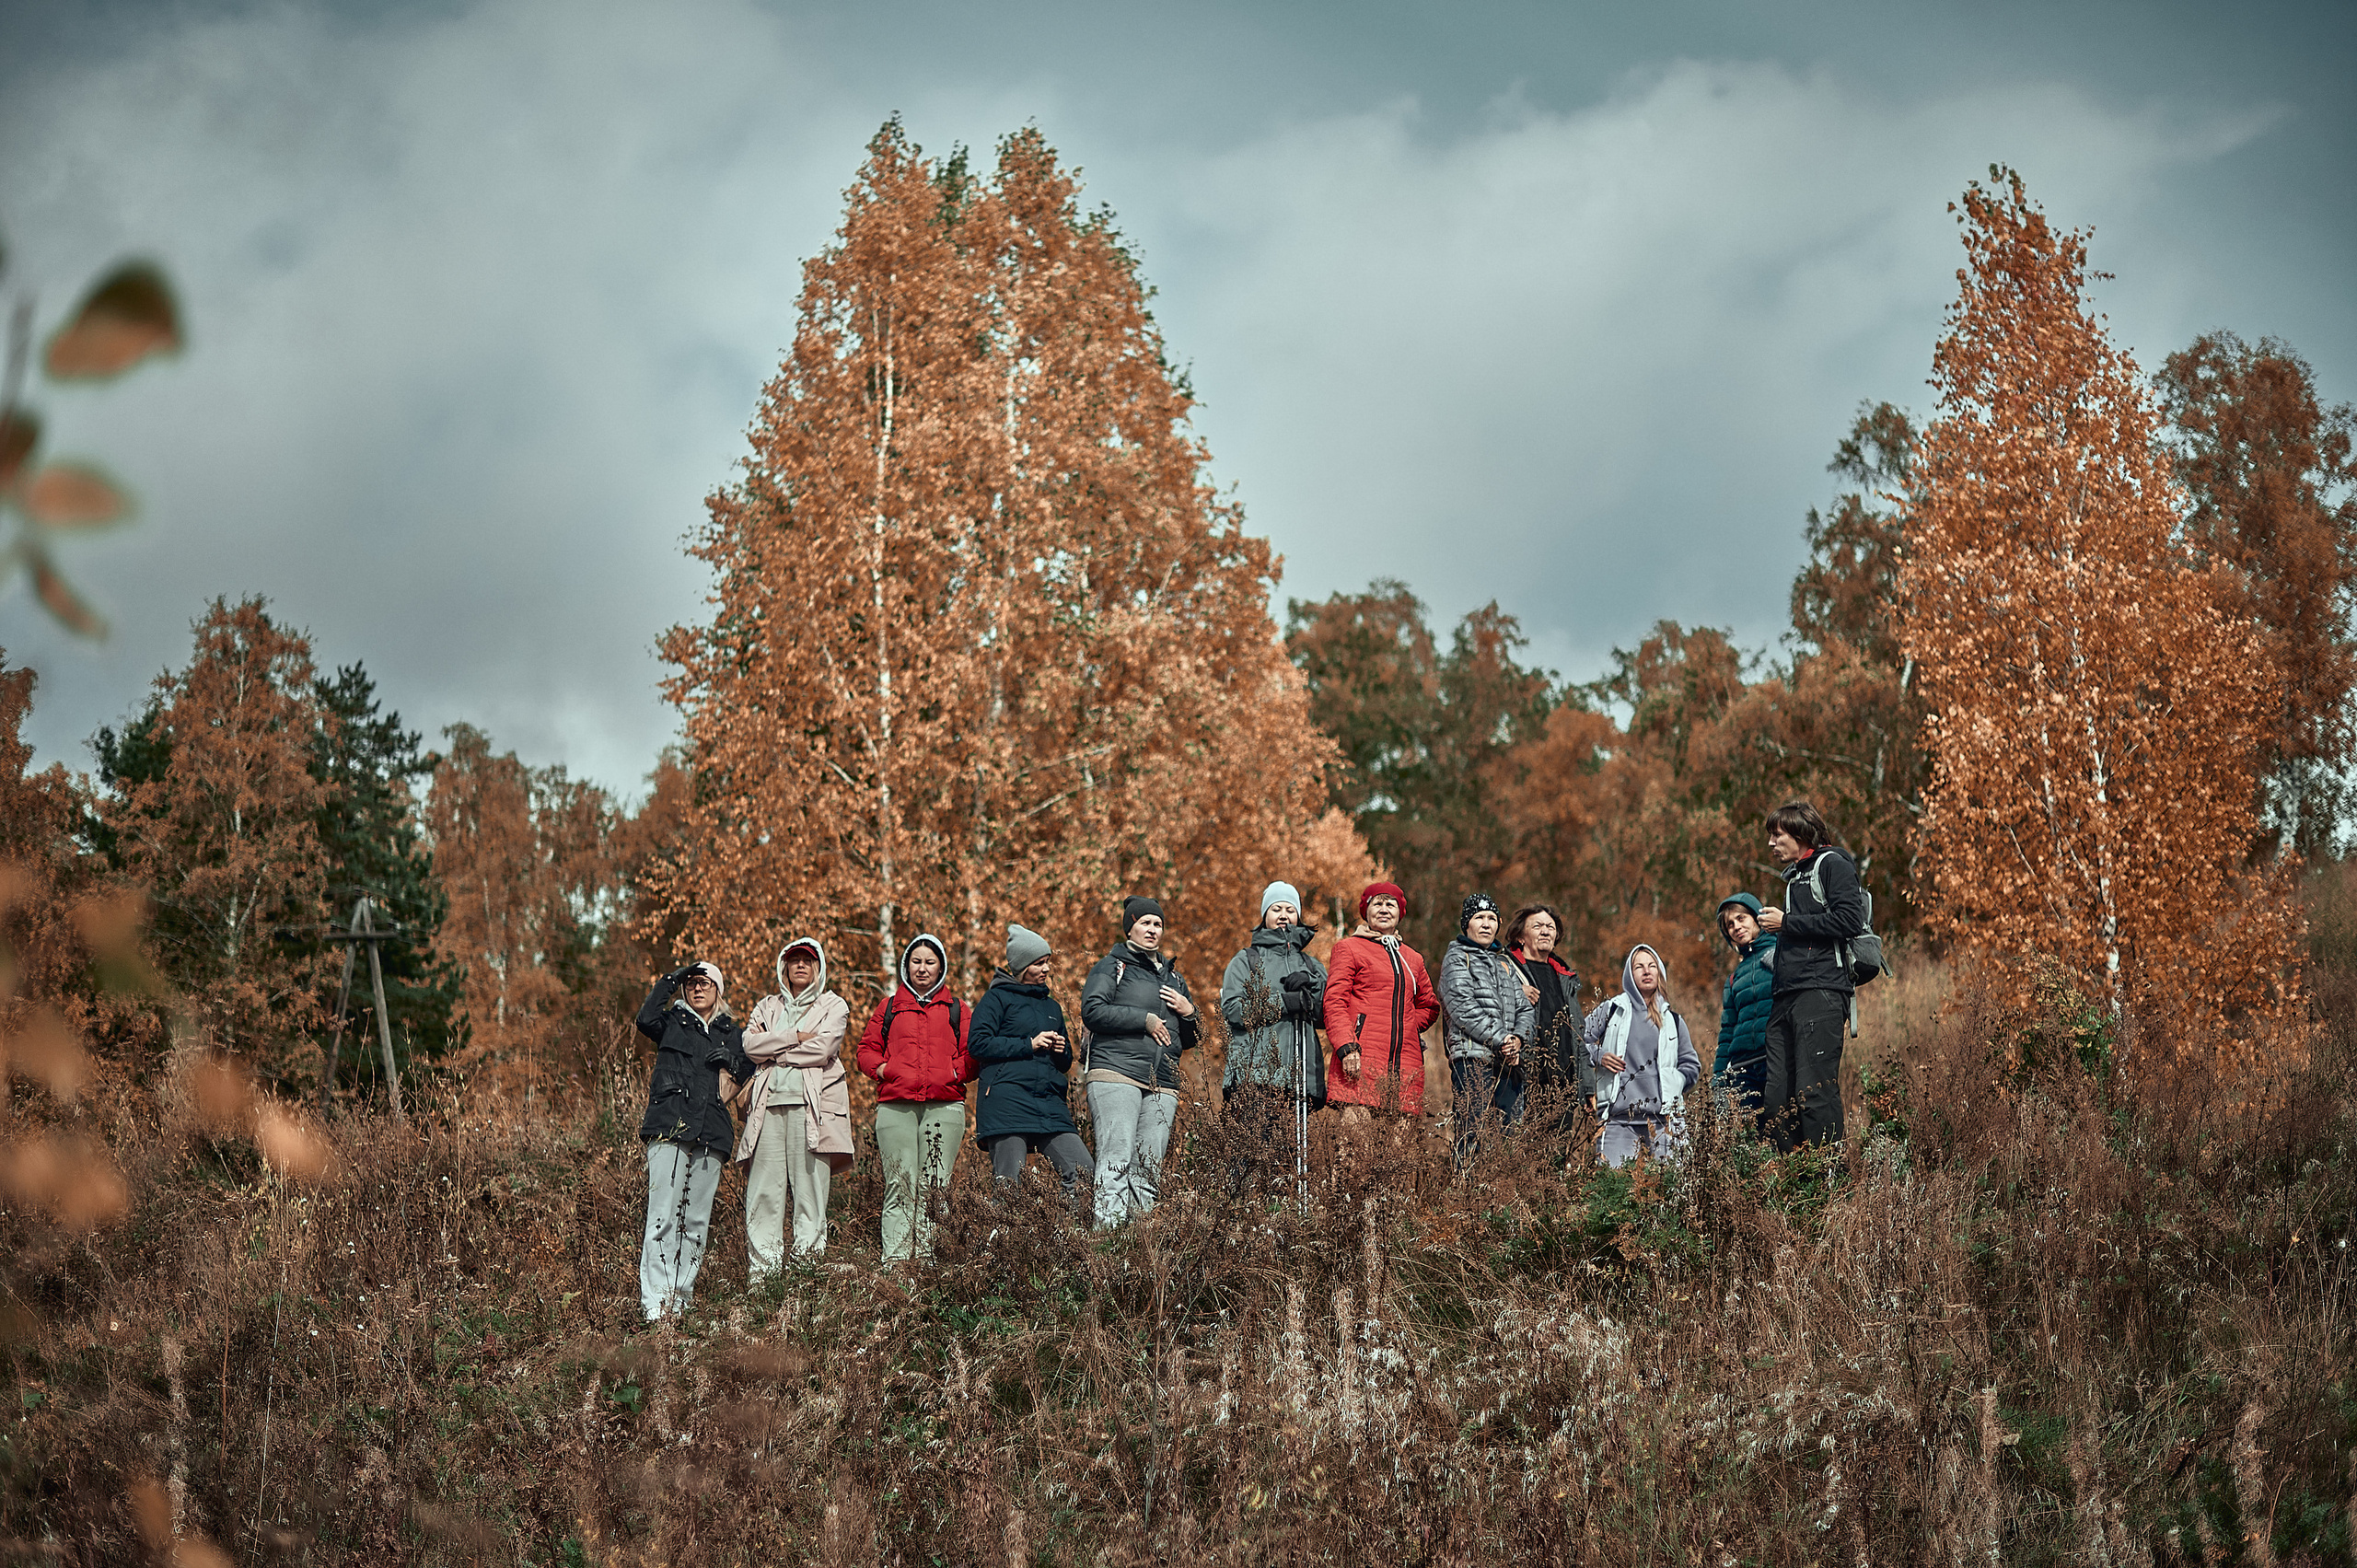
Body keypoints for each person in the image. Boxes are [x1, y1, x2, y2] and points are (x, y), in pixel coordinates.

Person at [634, 961, 751, 1321]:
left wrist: (733, 1060)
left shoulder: (732, 1031)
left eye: (706, 983)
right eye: (692, 984)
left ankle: (681, 1300)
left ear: (718, 990)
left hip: (712, 1133)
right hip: (669, 1125)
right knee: (663, 1217)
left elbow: (750, 1068)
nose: (698, 989)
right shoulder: (671, 1021)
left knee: (696, 1222)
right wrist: (671, 979)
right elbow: (645, 1018)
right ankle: (656, 1304)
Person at [1079, 896, 1201, 1227]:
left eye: (1157, 924)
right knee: (1116, 1160)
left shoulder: (1174, 978)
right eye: (1145, 922)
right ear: (1129, 927)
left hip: (1163, 1082)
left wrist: (1189, 1012)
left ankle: (1136, 1250)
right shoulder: (1112, 966)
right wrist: (1143, 1020)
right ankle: (1106, 1246)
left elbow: (1192, 1039)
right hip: (1117, 1074)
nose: (1152, 929)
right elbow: (1092, 1010)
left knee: (1148, 1168)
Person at [735, 939, 853, 1276]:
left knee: (810, 1195)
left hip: (811, 1111)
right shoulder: (767, 1006)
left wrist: (776, 1052)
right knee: (763, 1195)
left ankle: (807, 1276)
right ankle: (764, 1278)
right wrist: (795, 1036)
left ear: (819, 968)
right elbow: (750, 1045)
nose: (801, 965)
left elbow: (823, 1049)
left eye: (808, 960)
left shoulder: (833, 1005)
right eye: (794, 960)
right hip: (766, 1109)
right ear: (784, 967)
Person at [1755, 801, 1864, 1153]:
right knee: (1776, 1103)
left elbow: (1850, 920)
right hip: (1786, 997)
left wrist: (1786, 923)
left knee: (1814, 1095)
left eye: (1777, 835)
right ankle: (1797, 1184)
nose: (1771, 843)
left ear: (1800, 833)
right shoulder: (1795, 877)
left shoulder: (1833, 864)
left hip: (1821, 993)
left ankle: (1831, 1184)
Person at [855, 934, 972, 1262]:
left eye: (929, 962)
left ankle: (926, 1262)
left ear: (941, 968)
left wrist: (953, 1074)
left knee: (935, 1186)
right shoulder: (890, 1006)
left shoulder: (957, 1009)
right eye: (916, 961)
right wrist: (882, 1070)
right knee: (900, 1184)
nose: (922, 969)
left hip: (945, 1107)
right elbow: (865, 1050)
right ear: (907, 965)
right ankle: (895, 1265)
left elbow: (973, 1054)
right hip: (896, 1108)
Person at [970, 924, 1093, 1205]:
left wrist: (1062, 1050)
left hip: (1049, 1104)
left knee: (1084, 1174)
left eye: (1047, 962)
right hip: (1007, 1102)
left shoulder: (1052, 1007)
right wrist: (1028, 1044)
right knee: (1008, 1187)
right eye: (1039, 963)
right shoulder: (996, 999)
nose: (1047, 969)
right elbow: (977, 1044)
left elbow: (1063, 1063)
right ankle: (1001, 1247)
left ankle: (1062, 1242)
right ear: (1022, 966)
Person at [1217, 881, 1327, 1188]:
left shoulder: (1313, 965)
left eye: (1290, 909)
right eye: (1276, 908)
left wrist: (1312, 990)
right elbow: (1234, 1011)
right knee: (1249, 1159)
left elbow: (1325, 1016)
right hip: (1255, 1077)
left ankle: (1283, 1228)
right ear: (1264, 915)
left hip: (1299, 1078)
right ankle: (1240, 1223)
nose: (1283, 915)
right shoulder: (1246, 960)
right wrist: (1283, 1002)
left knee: (1288, 1163)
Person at [1322, 882, 1442, 1121]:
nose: (1384, 909)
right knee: (1357, 1152)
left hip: (1406, 1069)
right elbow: (1334, 1002)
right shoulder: (1349, 949)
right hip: (1359, 1062)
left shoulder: (1413, 958)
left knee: (1399, 1154)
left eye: (1391, 904)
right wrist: (1347, 1046)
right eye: (1377, 903)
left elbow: (1429, 1006)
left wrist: (1406, 1028)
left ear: (1400, 913)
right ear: (1366, 911)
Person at [1583, 944, 1701, 1168]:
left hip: (1664, 1121)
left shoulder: (1673, 1020)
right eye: (1639, 967)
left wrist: (1675, 1082)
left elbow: (1691, 1065)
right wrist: (1599, 1055)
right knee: (1613, 1191)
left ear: (1660, 973)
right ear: (1629, 974)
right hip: (1618, 1120)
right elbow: (1577, 1041)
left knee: (1671, 1191)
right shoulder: (1611, 1010)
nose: (1646, 971)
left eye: (1652, 966)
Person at [1438, 893, 1534, 1167]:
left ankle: (1503, 1199)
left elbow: (1525, 1009)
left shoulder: (1504, 962)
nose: (1486, 924)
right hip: (1471, 1059)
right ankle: (1468, 1197)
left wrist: (1517, 1040)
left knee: (1509, 1135)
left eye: (1492, 918)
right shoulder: (1456, 958)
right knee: (1472, 1132)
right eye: (1479, 918)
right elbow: (1462, 1008)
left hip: (1508, 1060)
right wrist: (1503, 1038)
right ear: (1466, 924)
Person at [1504, 904, 1589, 1122]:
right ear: (1520, 937)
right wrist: (1513, 989)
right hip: (1522, 1082)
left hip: (1563, 1087)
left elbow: (1579, 1037)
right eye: (1538, 926)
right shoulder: (1503, 967)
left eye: (1550, 927)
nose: (1545, 931)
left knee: (1558, 1154)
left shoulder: (1565, 977)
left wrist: (1587, 1087)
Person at [1711, 894, 1776, 1129]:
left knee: (1786, 1132)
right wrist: (1718, 1079)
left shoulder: (1782, 954)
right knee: (1754, 1142)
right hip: (1743, 1071)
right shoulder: (1734, 977)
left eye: (1741, 918)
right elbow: (1727, 1030)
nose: (1737, 927)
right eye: (1730, 924)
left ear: (1757, 917)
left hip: (1776, 1060)